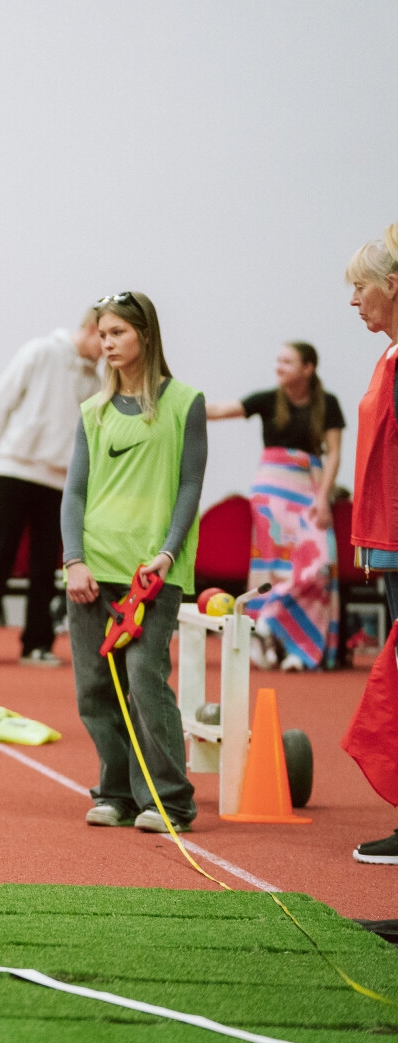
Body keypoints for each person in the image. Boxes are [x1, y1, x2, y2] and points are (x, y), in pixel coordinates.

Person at [62, 291, 205, 833]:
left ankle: (170, 800)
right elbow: (74, 493)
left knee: (144, 678)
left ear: (145, 334)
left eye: (118, 333)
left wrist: (168, 552)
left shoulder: (186, 403)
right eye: (102, 335)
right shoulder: (91, 412)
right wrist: (74, 560)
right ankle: (116, 792)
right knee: (96, 687)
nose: (108, 344)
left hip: (154, 573)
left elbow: (191, 483)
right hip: (93, 571)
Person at [0, 308, 104, 665]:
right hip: (17, 469)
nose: (107, 350)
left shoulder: (95, 379)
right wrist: (8, 451)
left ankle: (36, 644)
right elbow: (2, 400)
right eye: (105, 339)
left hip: (59, 479)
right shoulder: (40, 350)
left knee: (46, 565)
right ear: (90, 329)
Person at [207, 342, 344, 670]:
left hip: (309, 490)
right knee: (272, 569)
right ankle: (272, 641)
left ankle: (292, 636)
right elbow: (221, 410)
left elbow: (335, 453)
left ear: (307, 368)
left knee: (319, 564)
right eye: (278, 361)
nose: (279, 367)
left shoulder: (327, 404)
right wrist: (174, 402)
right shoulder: (268, 399)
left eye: (287, 361)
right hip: (271, 498)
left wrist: (323, 497)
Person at [344, 228, 398, 865]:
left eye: (359, 286)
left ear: (392, 285)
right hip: (388, 543)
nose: (353, 301)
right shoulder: (386, 357)